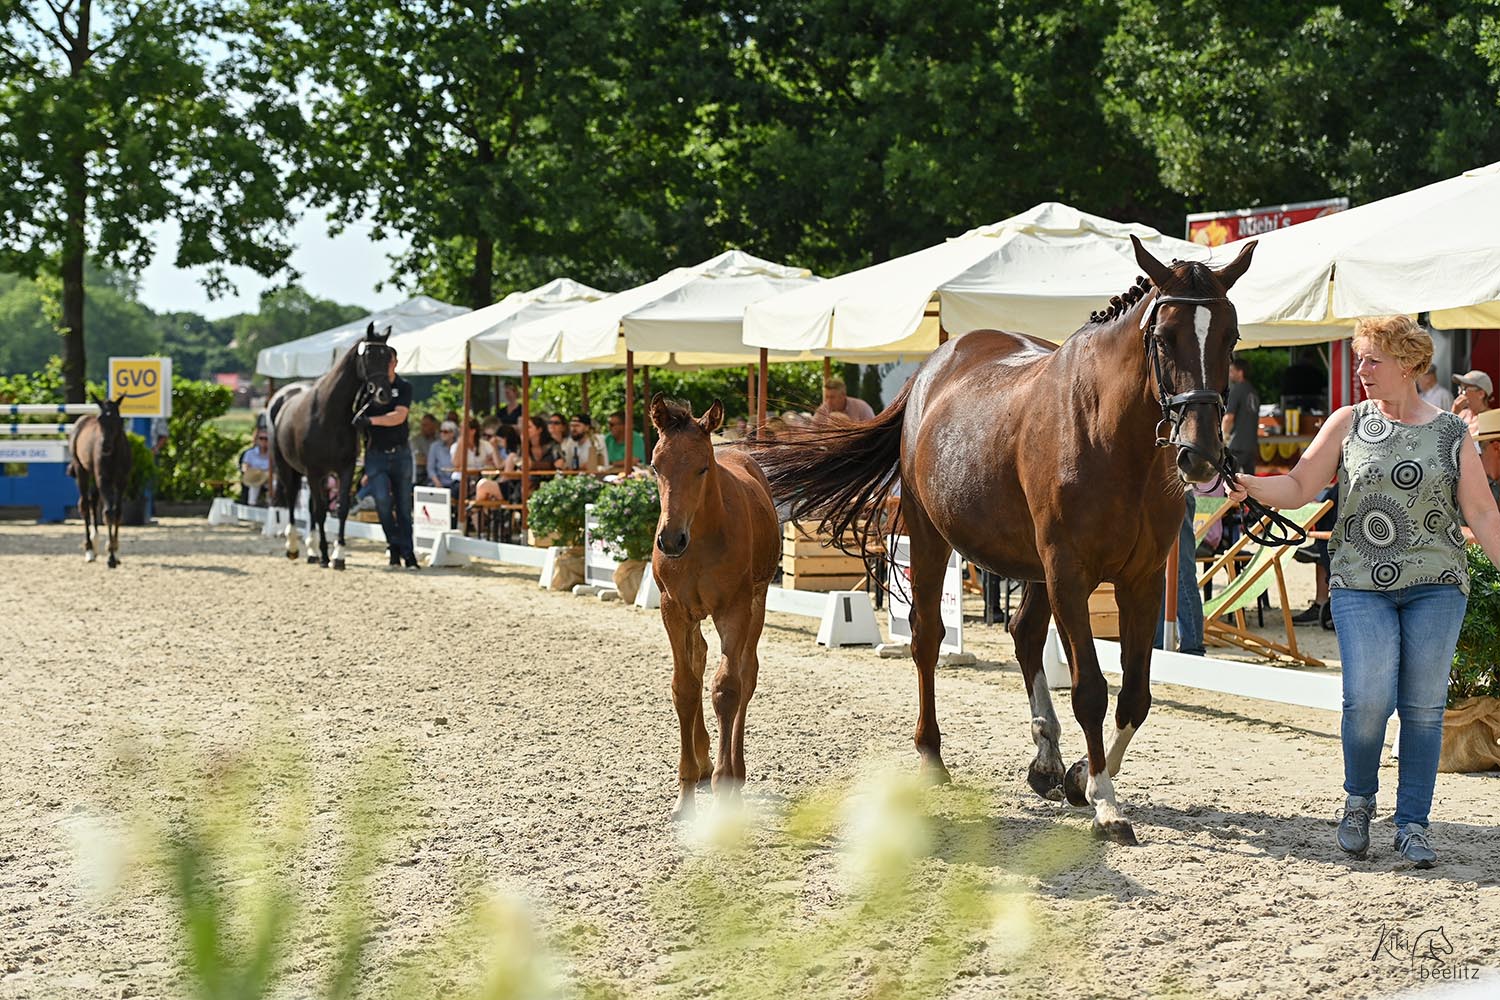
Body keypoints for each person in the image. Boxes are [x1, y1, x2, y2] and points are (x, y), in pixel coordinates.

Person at [1227, 316, 1500, 868]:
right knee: (1368, 700)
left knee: (1424, 710)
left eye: (1372, 359)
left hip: (1437, 586)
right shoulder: (1347, 422)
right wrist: (1253, 484)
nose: (1361, 369)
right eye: (1359, 358)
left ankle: (1413, 825)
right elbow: (1301, 485)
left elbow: (1481, 512)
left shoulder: (1451, 434)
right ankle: (1358, 802)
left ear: (1408, 363)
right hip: (1358, 582)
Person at [356, 351, 420, 569]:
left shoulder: (403, 386)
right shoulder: (368, 389)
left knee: (403, 506)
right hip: (376, 455)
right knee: (382, 502)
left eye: (388, 362)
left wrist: (371, 421)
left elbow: (399, 416)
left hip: (400, 453)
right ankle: (393, 544)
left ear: (395, 363)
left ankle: (408, 553)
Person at [1222, 356, 1260, 477]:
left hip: (1237, 443)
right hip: (1251, 443)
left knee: (1232, 480)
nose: (1230, 375)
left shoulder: (1237, 389)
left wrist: (1223, 435)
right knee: (1250, 481)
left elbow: (1229, 417)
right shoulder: (1253, 390)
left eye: (1232, 371)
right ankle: (1251, 497)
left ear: (1240, 372)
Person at [1280, 347, 1327, 412]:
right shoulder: (1315, 372)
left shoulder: (1290, 371)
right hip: (1312, 405)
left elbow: (1283, 388)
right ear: (1311, 358)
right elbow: (1325, 389)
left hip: (1291, 406)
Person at [1450, 369, 1493, 442]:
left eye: (1464, 388)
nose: (1460, 392)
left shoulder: (1491, 419)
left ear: (1481, 394)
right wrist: (1453, 413)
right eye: (1459, 388)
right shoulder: (1461, 414)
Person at [240, 429, 272, 506]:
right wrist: (248, 472)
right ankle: (252, 504)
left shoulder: (272, 454)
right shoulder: (250, 453)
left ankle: (271, 504)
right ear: (257, 440)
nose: (264, 441)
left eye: (266, 439)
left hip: (269, 477)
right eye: (261, 438)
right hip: (255, 476)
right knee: (254, 486)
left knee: (274, 484)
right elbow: (245, 466)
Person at [427, 420, 458, 488]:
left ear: (453, 433)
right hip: (438, 483)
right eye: (441, 431)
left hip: (455, 483)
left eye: (445, 432)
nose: (442, 434)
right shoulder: (435, 446)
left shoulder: (458, 447)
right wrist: (437, 483)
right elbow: (430, 468)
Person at [410, 413, 439, 481]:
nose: (422, 427)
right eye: (422, 425)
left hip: (438, 473)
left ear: (434, 426)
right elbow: (418, 460)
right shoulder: (415, 440)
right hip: (421, 473)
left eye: (426, 425)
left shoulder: (439, 439)